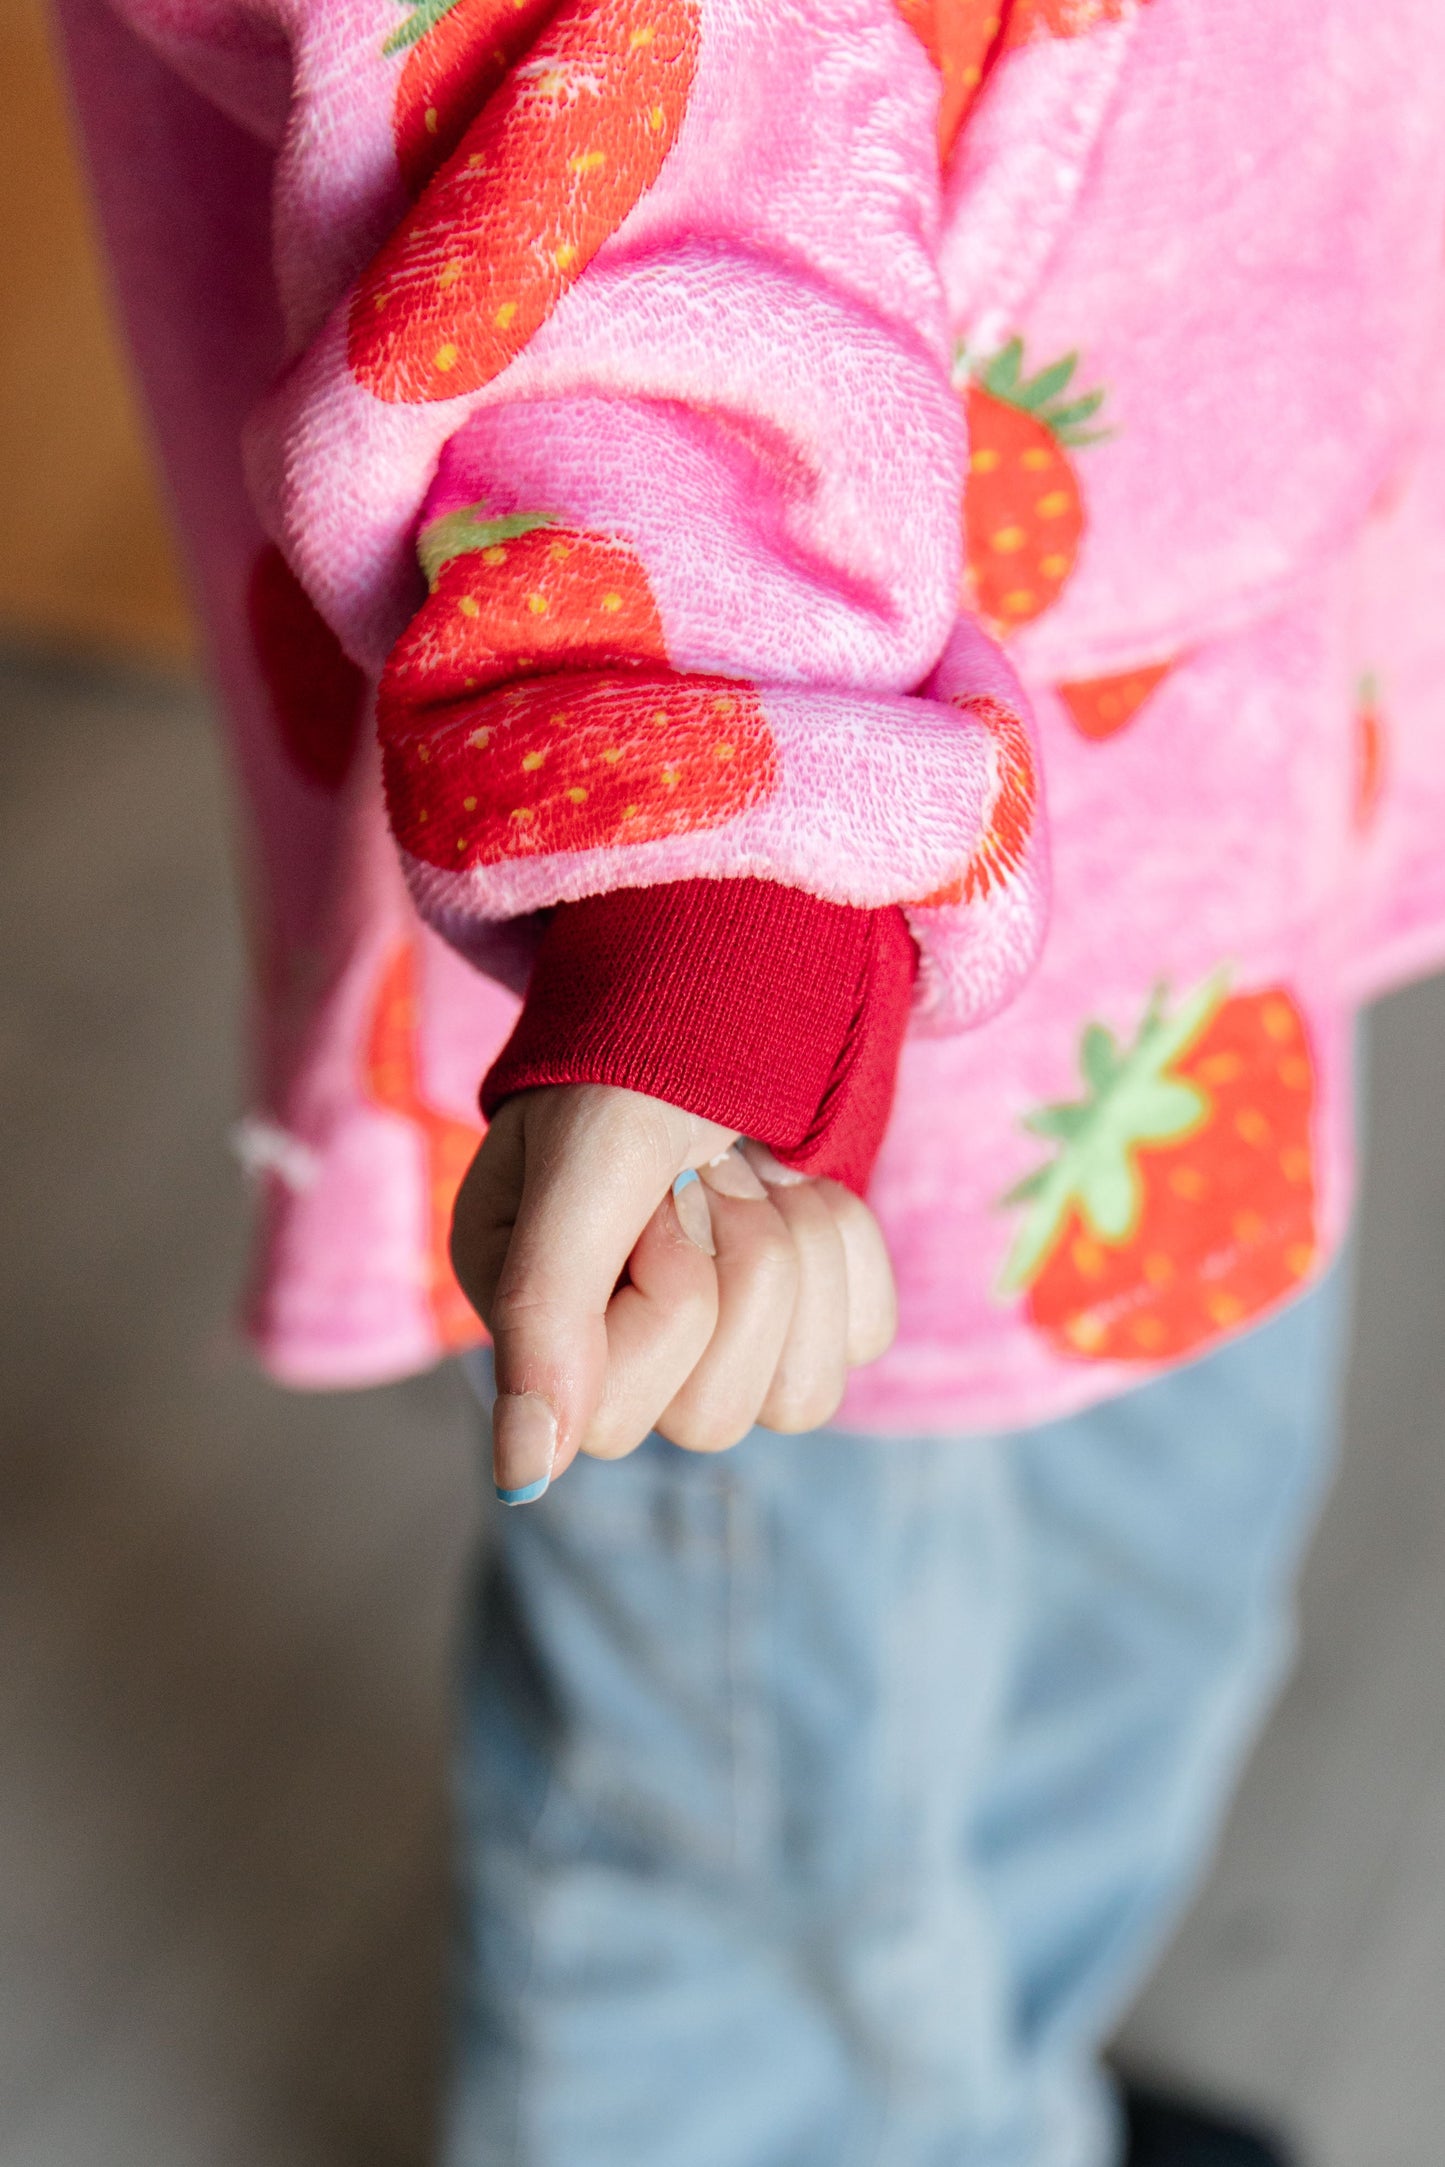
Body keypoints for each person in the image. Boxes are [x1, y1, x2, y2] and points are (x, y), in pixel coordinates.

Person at [55, 0, 1445, 2158]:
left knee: (1143, 1542)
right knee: (765, 1747)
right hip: (772, 797)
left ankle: (956, 2092)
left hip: (1198, 670)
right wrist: (714, 896)